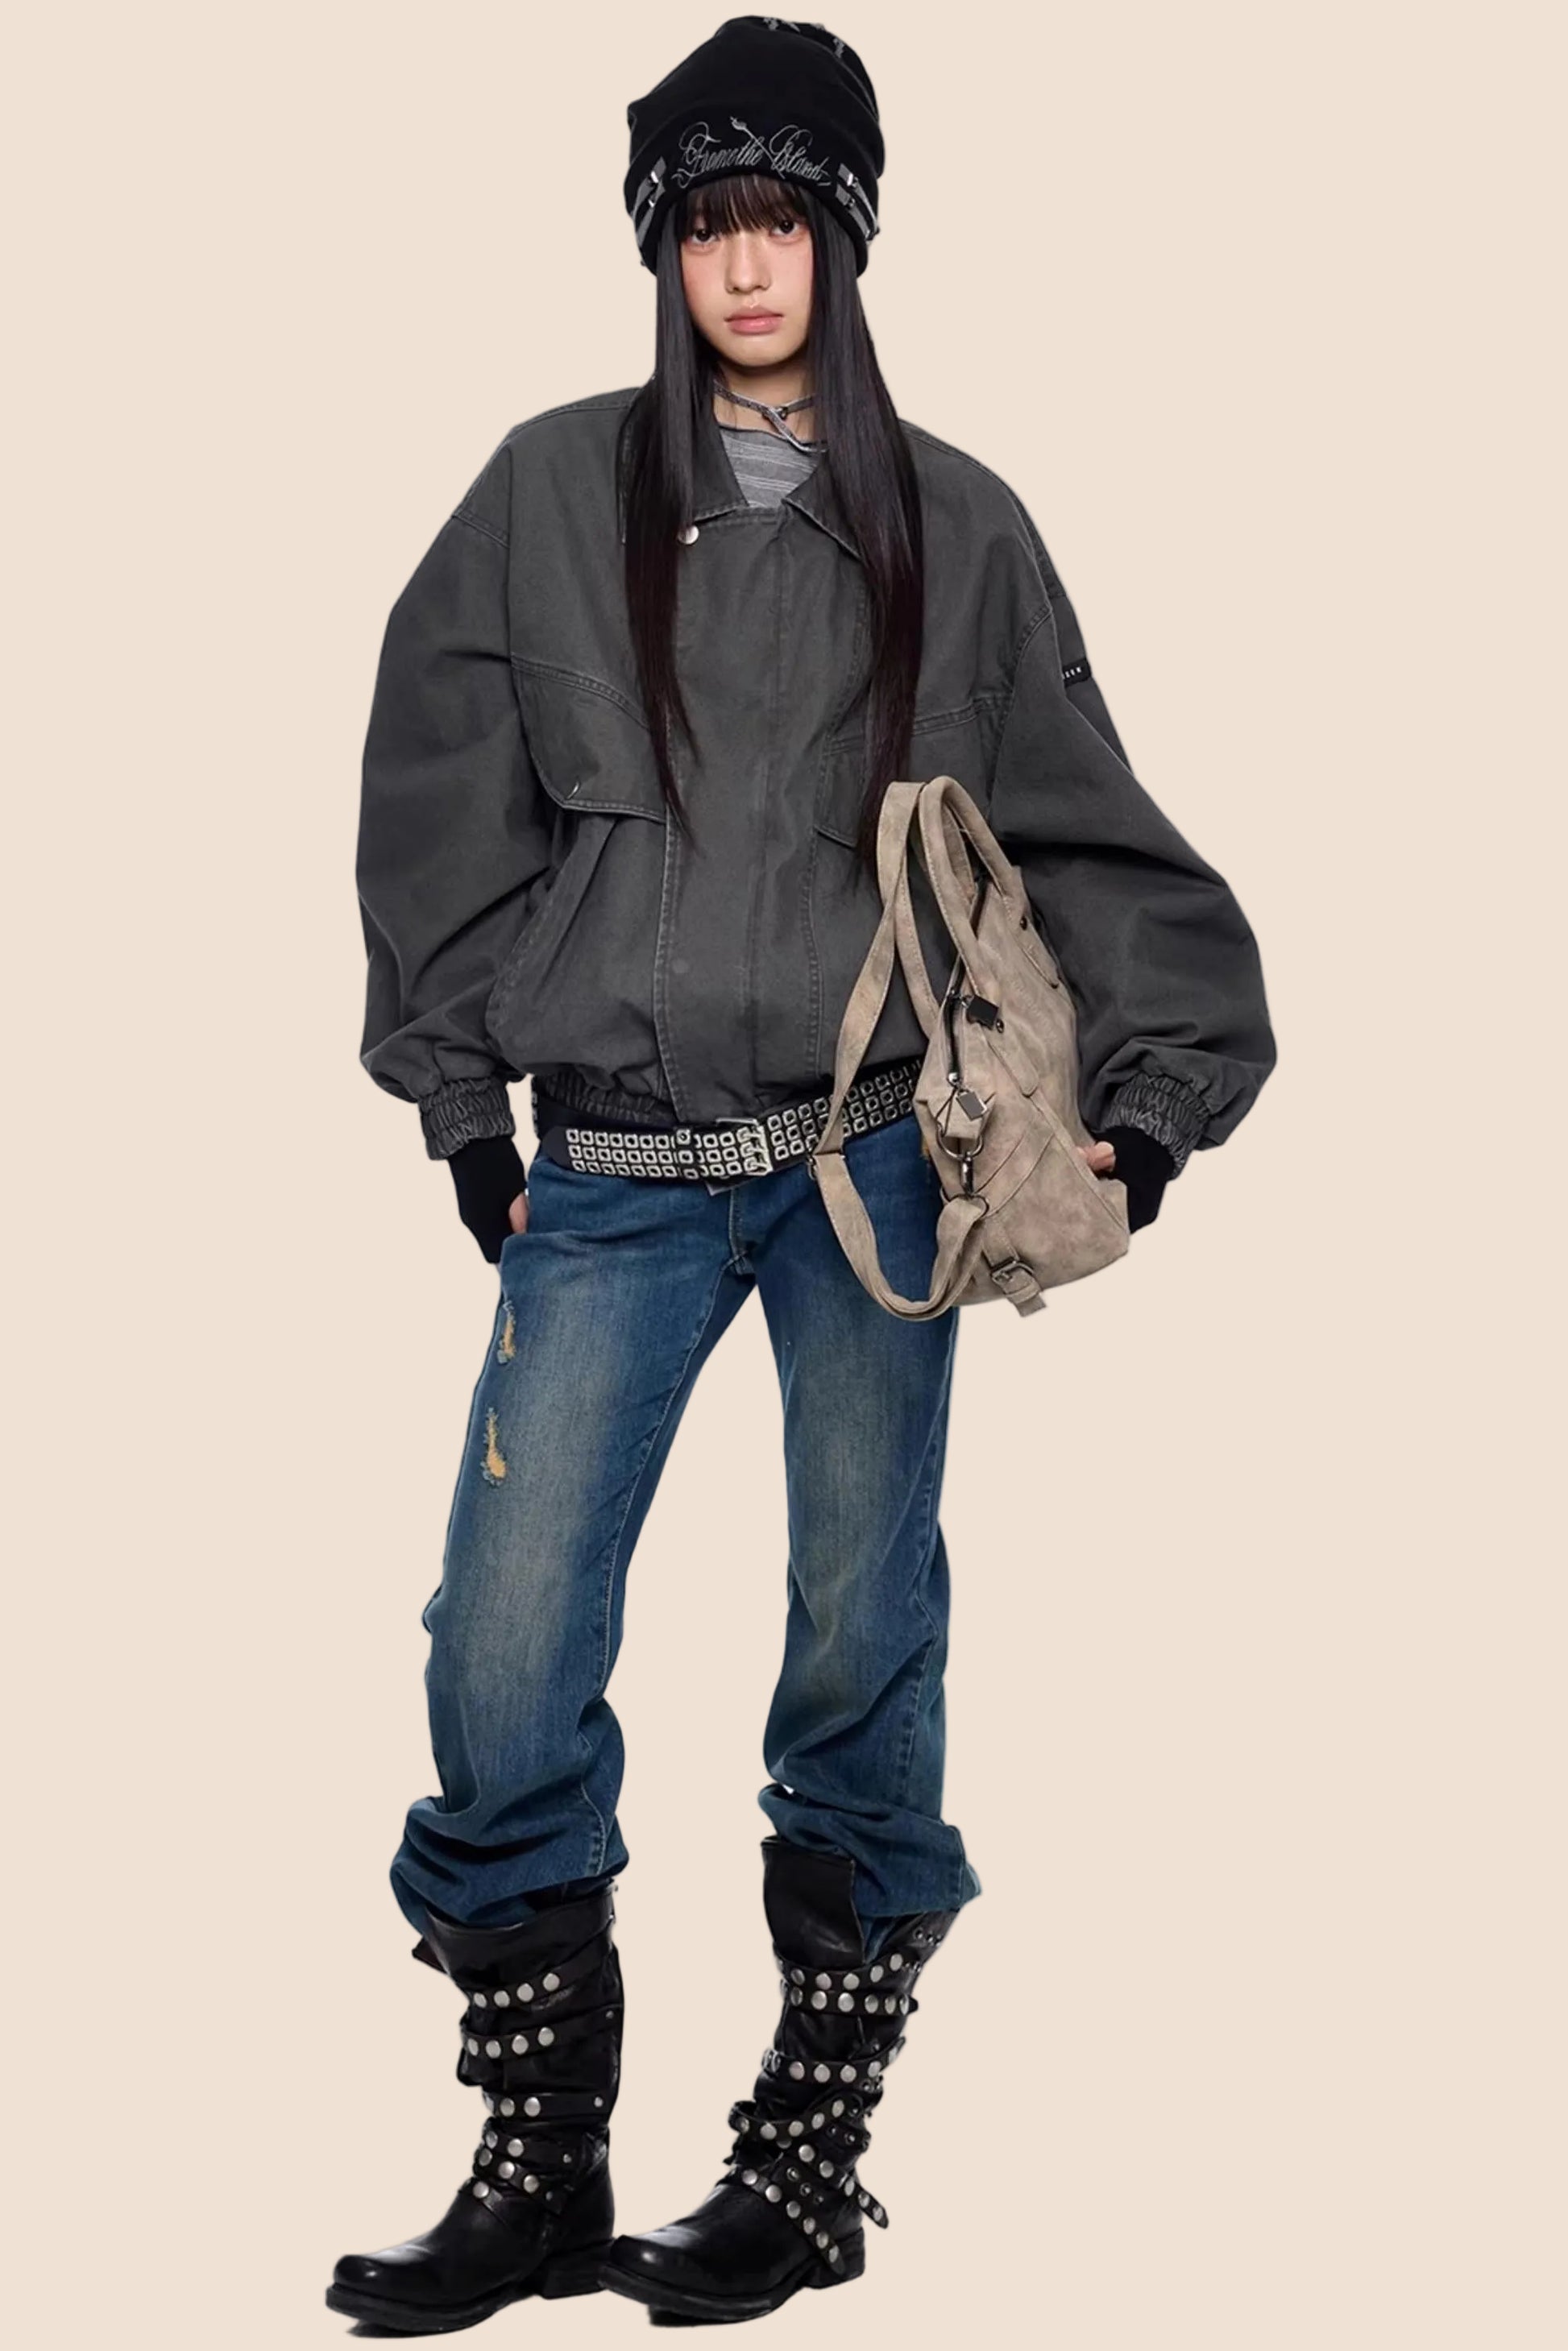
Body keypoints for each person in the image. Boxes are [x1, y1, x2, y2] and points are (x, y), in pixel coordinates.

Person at [327, 15, 1276, 2334]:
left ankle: (807, 2163)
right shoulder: (542, 495)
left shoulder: (957, 522)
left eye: (785, 224)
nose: (747, 268)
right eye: (707, 228)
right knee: (502, 1651)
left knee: (862, 1638)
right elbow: (437, 803)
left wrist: (1158, 1095)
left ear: (846, 242)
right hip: (618, 1167)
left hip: (874, 1171)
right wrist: (459, 1097)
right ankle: (538, 2166)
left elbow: (1084, 818)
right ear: (660, 250)